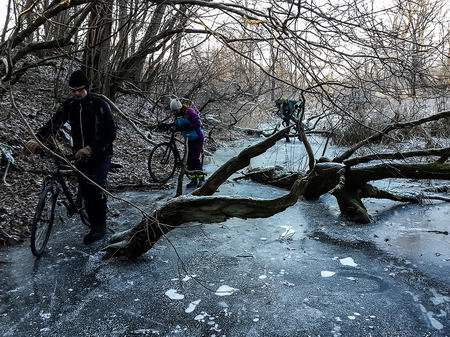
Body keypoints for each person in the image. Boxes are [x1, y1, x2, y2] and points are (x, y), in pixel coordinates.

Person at [25, 70, 117, 245]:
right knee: (85, 187)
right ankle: (91, 219)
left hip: (101, 154)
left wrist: (90, 148)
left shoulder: (99, 105)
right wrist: (37, 139)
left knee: (94, 188)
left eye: (80, 90)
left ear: (87, 88)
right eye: (73, 90)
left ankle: (100, 227)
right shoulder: (70, 105)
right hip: (79, 154)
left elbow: (110, 133)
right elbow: (54, 122)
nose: (76, 94)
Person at [168, 98, 205, 188]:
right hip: (189, 139)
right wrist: (167, 126)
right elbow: (177, 126)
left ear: (180, 108)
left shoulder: (190, 112)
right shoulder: (178, 116)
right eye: (173, 111)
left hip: (197, 138)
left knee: (194, 159)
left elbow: (198, 123)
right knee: (188, 160)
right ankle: (193, 180)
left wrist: (187, 126)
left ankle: (202, 179)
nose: (174, 113)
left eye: (175, 110)